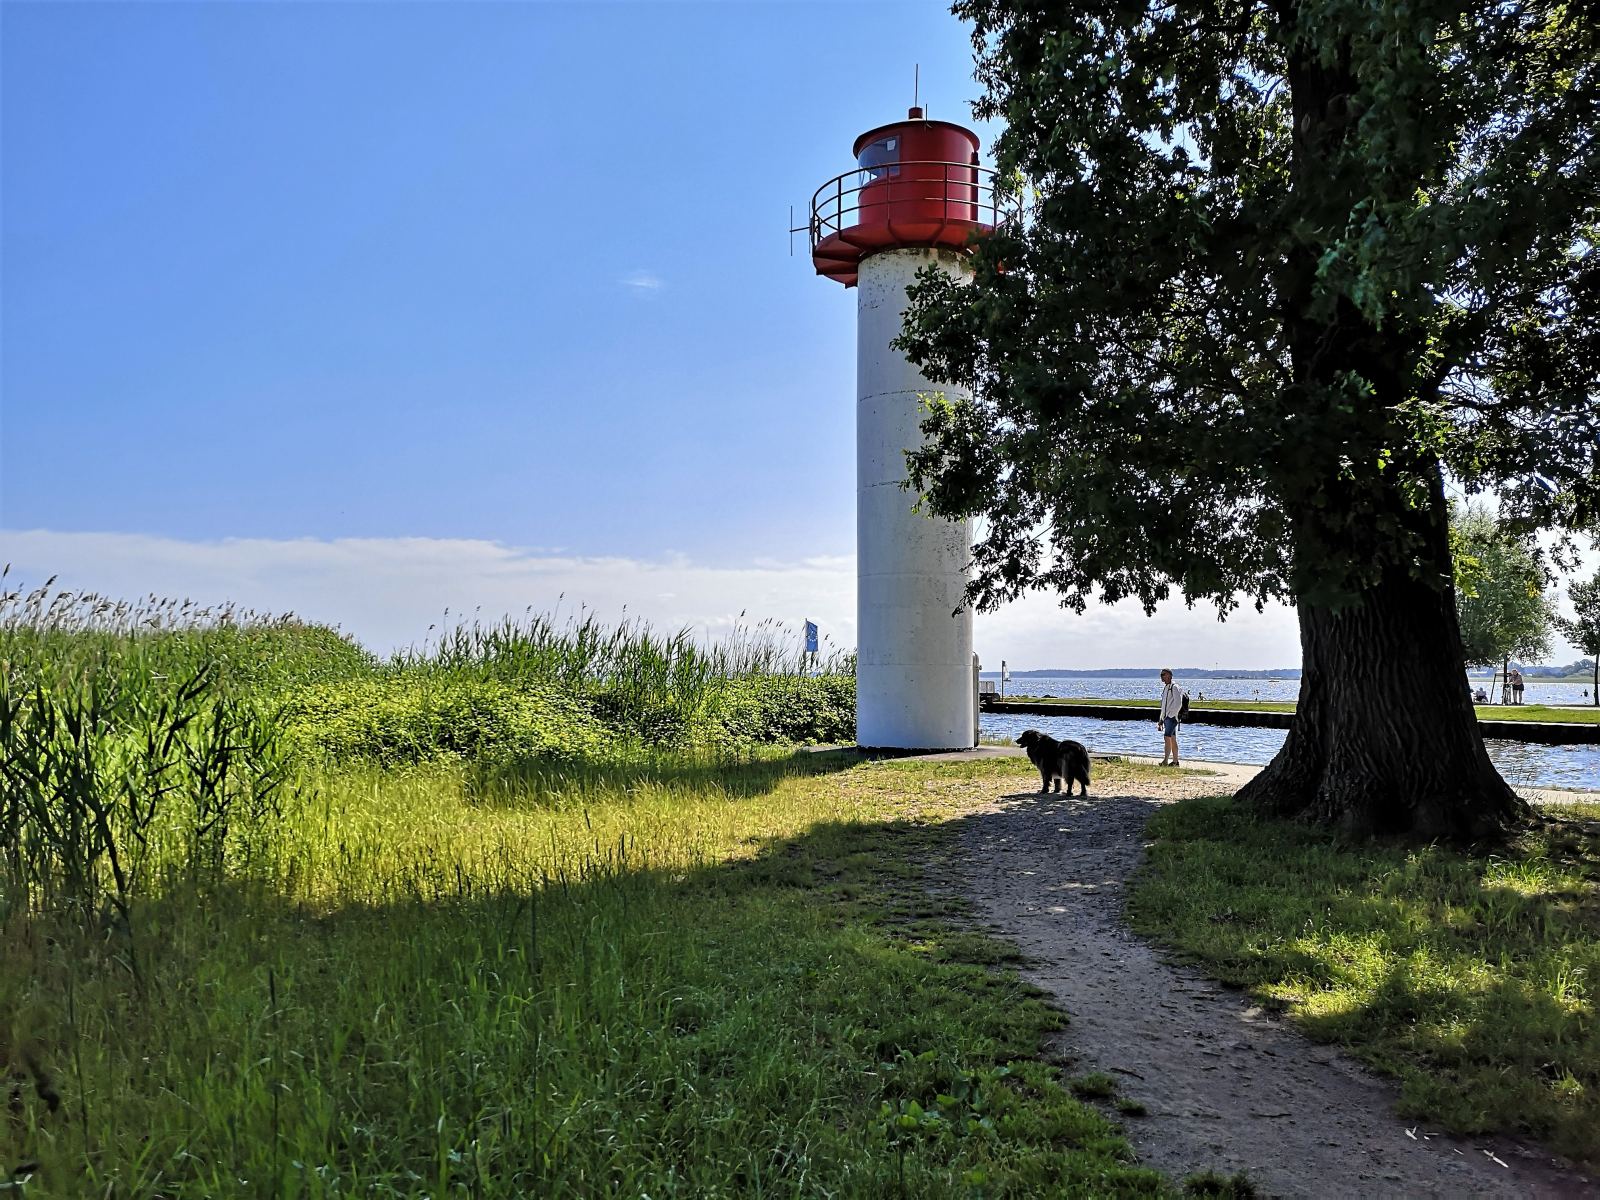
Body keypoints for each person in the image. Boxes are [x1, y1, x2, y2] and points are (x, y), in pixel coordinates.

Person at [1157, 668, 1183, 767]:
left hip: (1172, 718)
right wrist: (1161, 719)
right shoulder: (1167, 688)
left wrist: (1171, 715)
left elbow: (1178, 703)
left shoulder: (1174, 687)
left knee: (1166, 737)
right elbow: (1164, 705)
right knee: (1172, 739)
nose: (1161, 677)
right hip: (1167, 717)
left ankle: (1165, 761)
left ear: (1169, 675)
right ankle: (1175, 761)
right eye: (1161, 675)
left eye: (1163, 675)